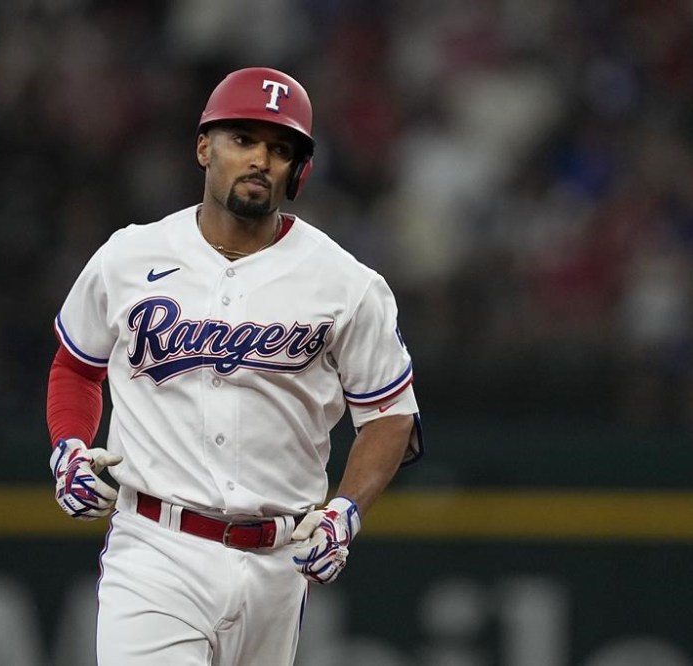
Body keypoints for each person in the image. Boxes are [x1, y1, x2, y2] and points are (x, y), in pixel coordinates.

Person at [45, 66, 423, 665]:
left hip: (278, 564)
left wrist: (345, 512)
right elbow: (77, 365)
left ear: (298, 170)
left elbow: (390, 415)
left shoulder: (346, 283)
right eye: (243, 139)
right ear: (204, 147)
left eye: (279, 149)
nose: (260, 160)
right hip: (154, 546)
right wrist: (68, 443)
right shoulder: (130, 255)